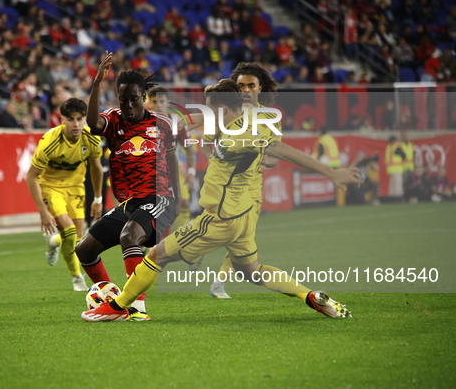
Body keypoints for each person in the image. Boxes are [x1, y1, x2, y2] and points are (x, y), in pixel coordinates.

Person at [81, 79, 361, 322]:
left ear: (223, 109)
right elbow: (272, 149)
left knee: (156, 255)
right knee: (252, 270)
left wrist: (332, 174)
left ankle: (117, 307)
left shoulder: (234, 139)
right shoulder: (255, 123)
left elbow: (280, 150)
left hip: (219, 219)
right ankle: (309, 296)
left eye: (210, 109)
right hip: (243, 217)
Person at [75, 51, 181, 320]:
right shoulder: (113, 120)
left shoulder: (162, 124)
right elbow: (92, 123)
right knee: (84, 249)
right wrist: (97, 83)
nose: (129, 105)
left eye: (134, 99)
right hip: (129, 203)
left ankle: (134, 307)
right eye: (123, 100)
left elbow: (173, 162)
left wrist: (177, 201)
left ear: (144, 98)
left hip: (158, 198)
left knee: (129, 236)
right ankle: (111, 296)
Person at [209, 62, 282, 299]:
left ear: (261, 88)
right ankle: (195, 249)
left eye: (251, 85)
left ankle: (219, 283)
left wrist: (262, 160)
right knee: (228, 231)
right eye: (241, 86)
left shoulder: (270, 117)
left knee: (242, 234)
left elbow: (274, 157)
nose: (246, 90)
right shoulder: (224, 113)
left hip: (251, 187)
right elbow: (208, 144)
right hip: (223, 183)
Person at [26, 98, 104, 291]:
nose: (76, 124)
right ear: (62, 119)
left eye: (80, 118)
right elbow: (31, 177)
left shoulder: (92, 138)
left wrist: (98, 199)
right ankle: (77, 278)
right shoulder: (50, 142)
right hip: (51, 187)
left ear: (85, 118)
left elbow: (96, 168)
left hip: (76, 187)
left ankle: (53, 241)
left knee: (78, 238)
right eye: (71, 119)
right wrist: (43, 212)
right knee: (69, 232)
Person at [145, 87, 196, 230]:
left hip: (173, 169)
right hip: (149, 171)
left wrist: (191, 172)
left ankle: (183, 239)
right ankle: (147, 242)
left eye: (161, 101)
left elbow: (189, 150)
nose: (158, 105)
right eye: (155, 102)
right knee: (151, 208)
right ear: (149, 103)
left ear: (167, 101)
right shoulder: (143, 122)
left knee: (184, 203)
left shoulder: (177, 123)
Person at [385, 136, 405, 200]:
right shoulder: (396, 147)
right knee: (397, 184)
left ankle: (392, 198)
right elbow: (404, 155)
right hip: (397, 169)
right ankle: (398, 198)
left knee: (393, 185)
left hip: (391, 169)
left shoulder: (389, 147)